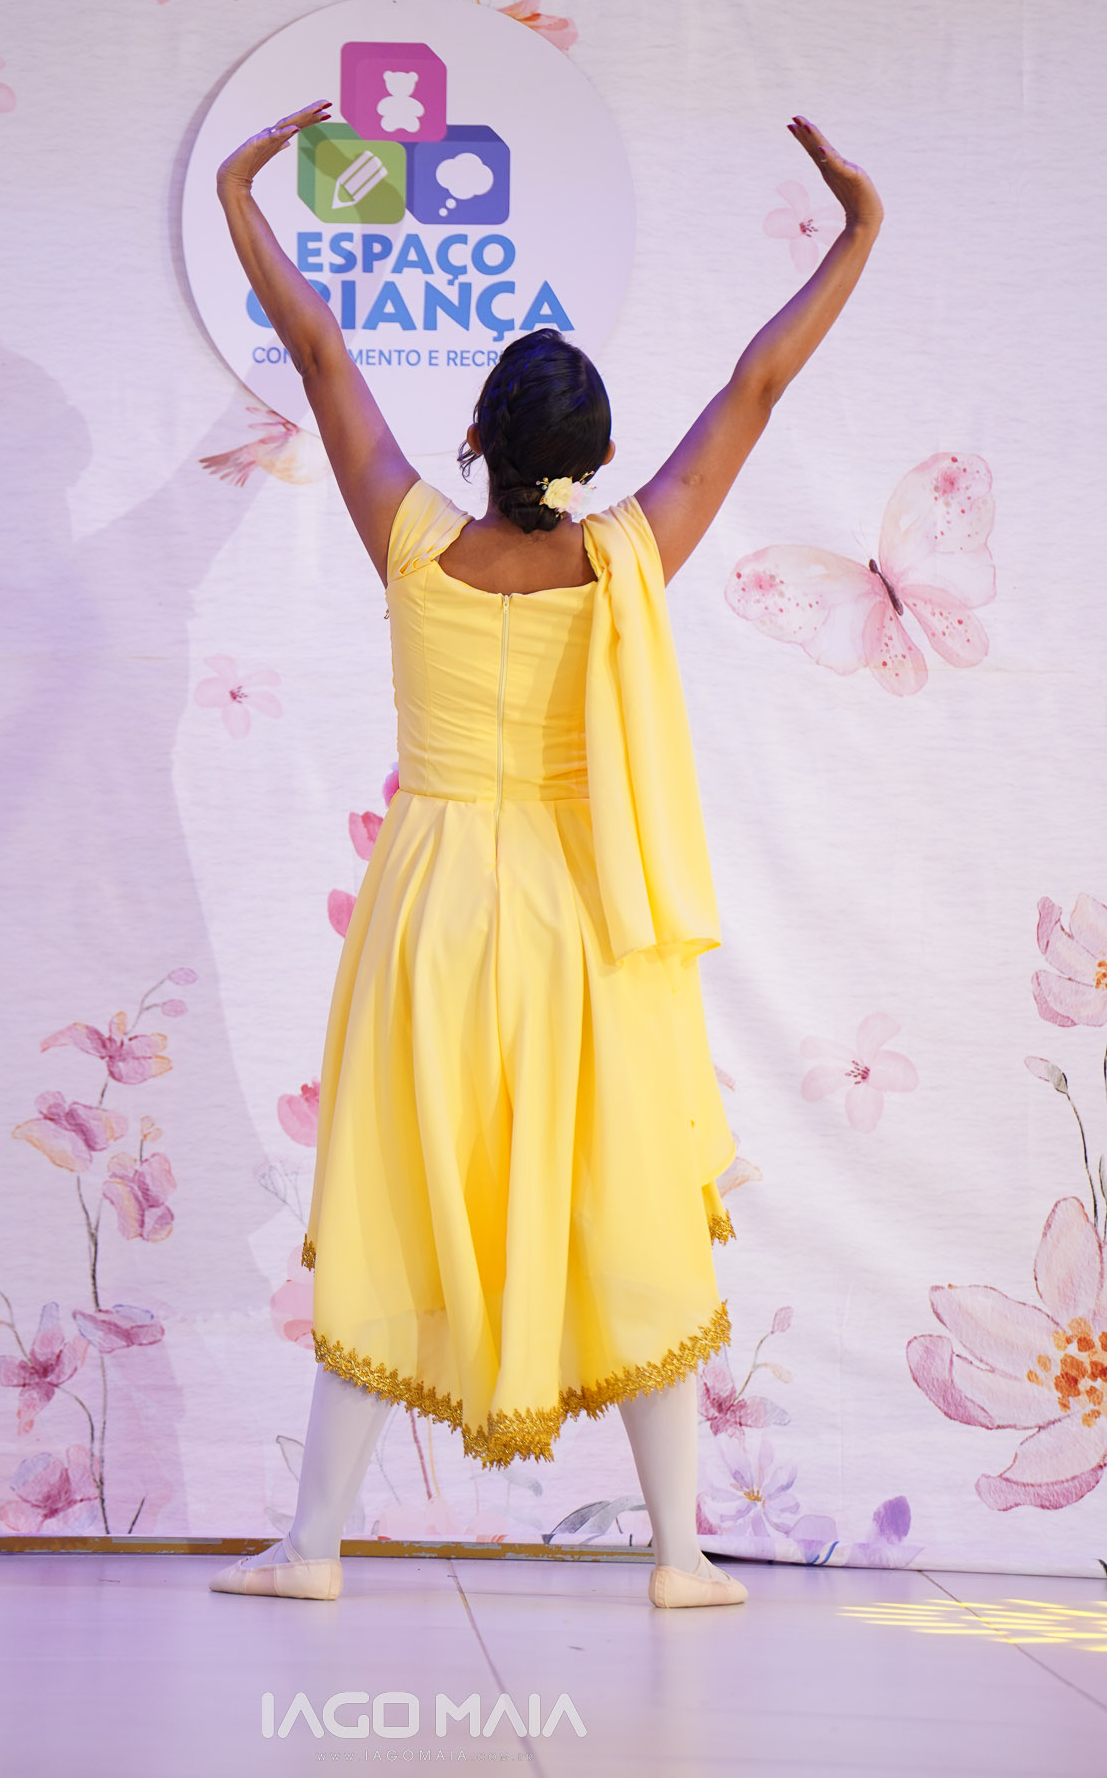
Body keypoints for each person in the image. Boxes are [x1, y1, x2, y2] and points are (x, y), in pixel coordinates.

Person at [209, 101, 882, 1608]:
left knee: (405, 1192)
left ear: (474, 439)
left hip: (432, 907)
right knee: (626, 1198)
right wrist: (858, 232)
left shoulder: (408, 542)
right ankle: (680, 1556)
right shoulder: (628, 555)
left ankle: (312, 1548)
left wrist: (240, 192)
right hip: (588, 914)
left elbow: (318, 352)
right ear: (599, 458)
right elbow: (758, 383)